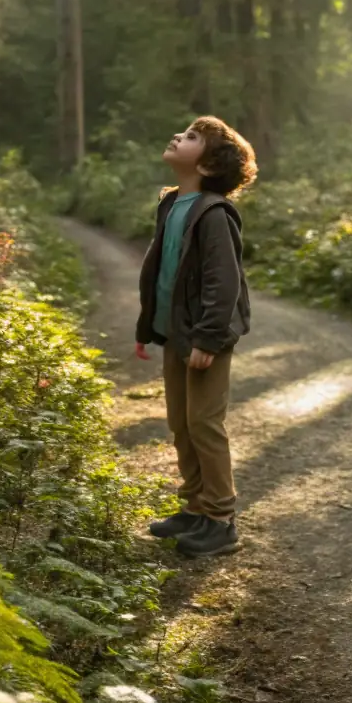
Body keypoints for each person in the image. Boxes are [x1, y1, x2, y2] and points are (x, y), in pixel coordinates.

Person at [135, 116, 257, 557]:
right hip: (175, 335)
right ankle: (195, 507)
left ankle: (221, 520)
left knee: (205, 423)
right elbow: (160, 271)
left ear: (206, 166)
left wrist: (208, 339)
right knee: (181, 423)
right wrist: (147, 326)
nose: (176, 136)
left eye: (189, 138)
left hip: (205, 339)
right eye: (182, 131)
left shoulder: (213, 213)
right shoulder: (171, 204)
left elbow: (222, 282)